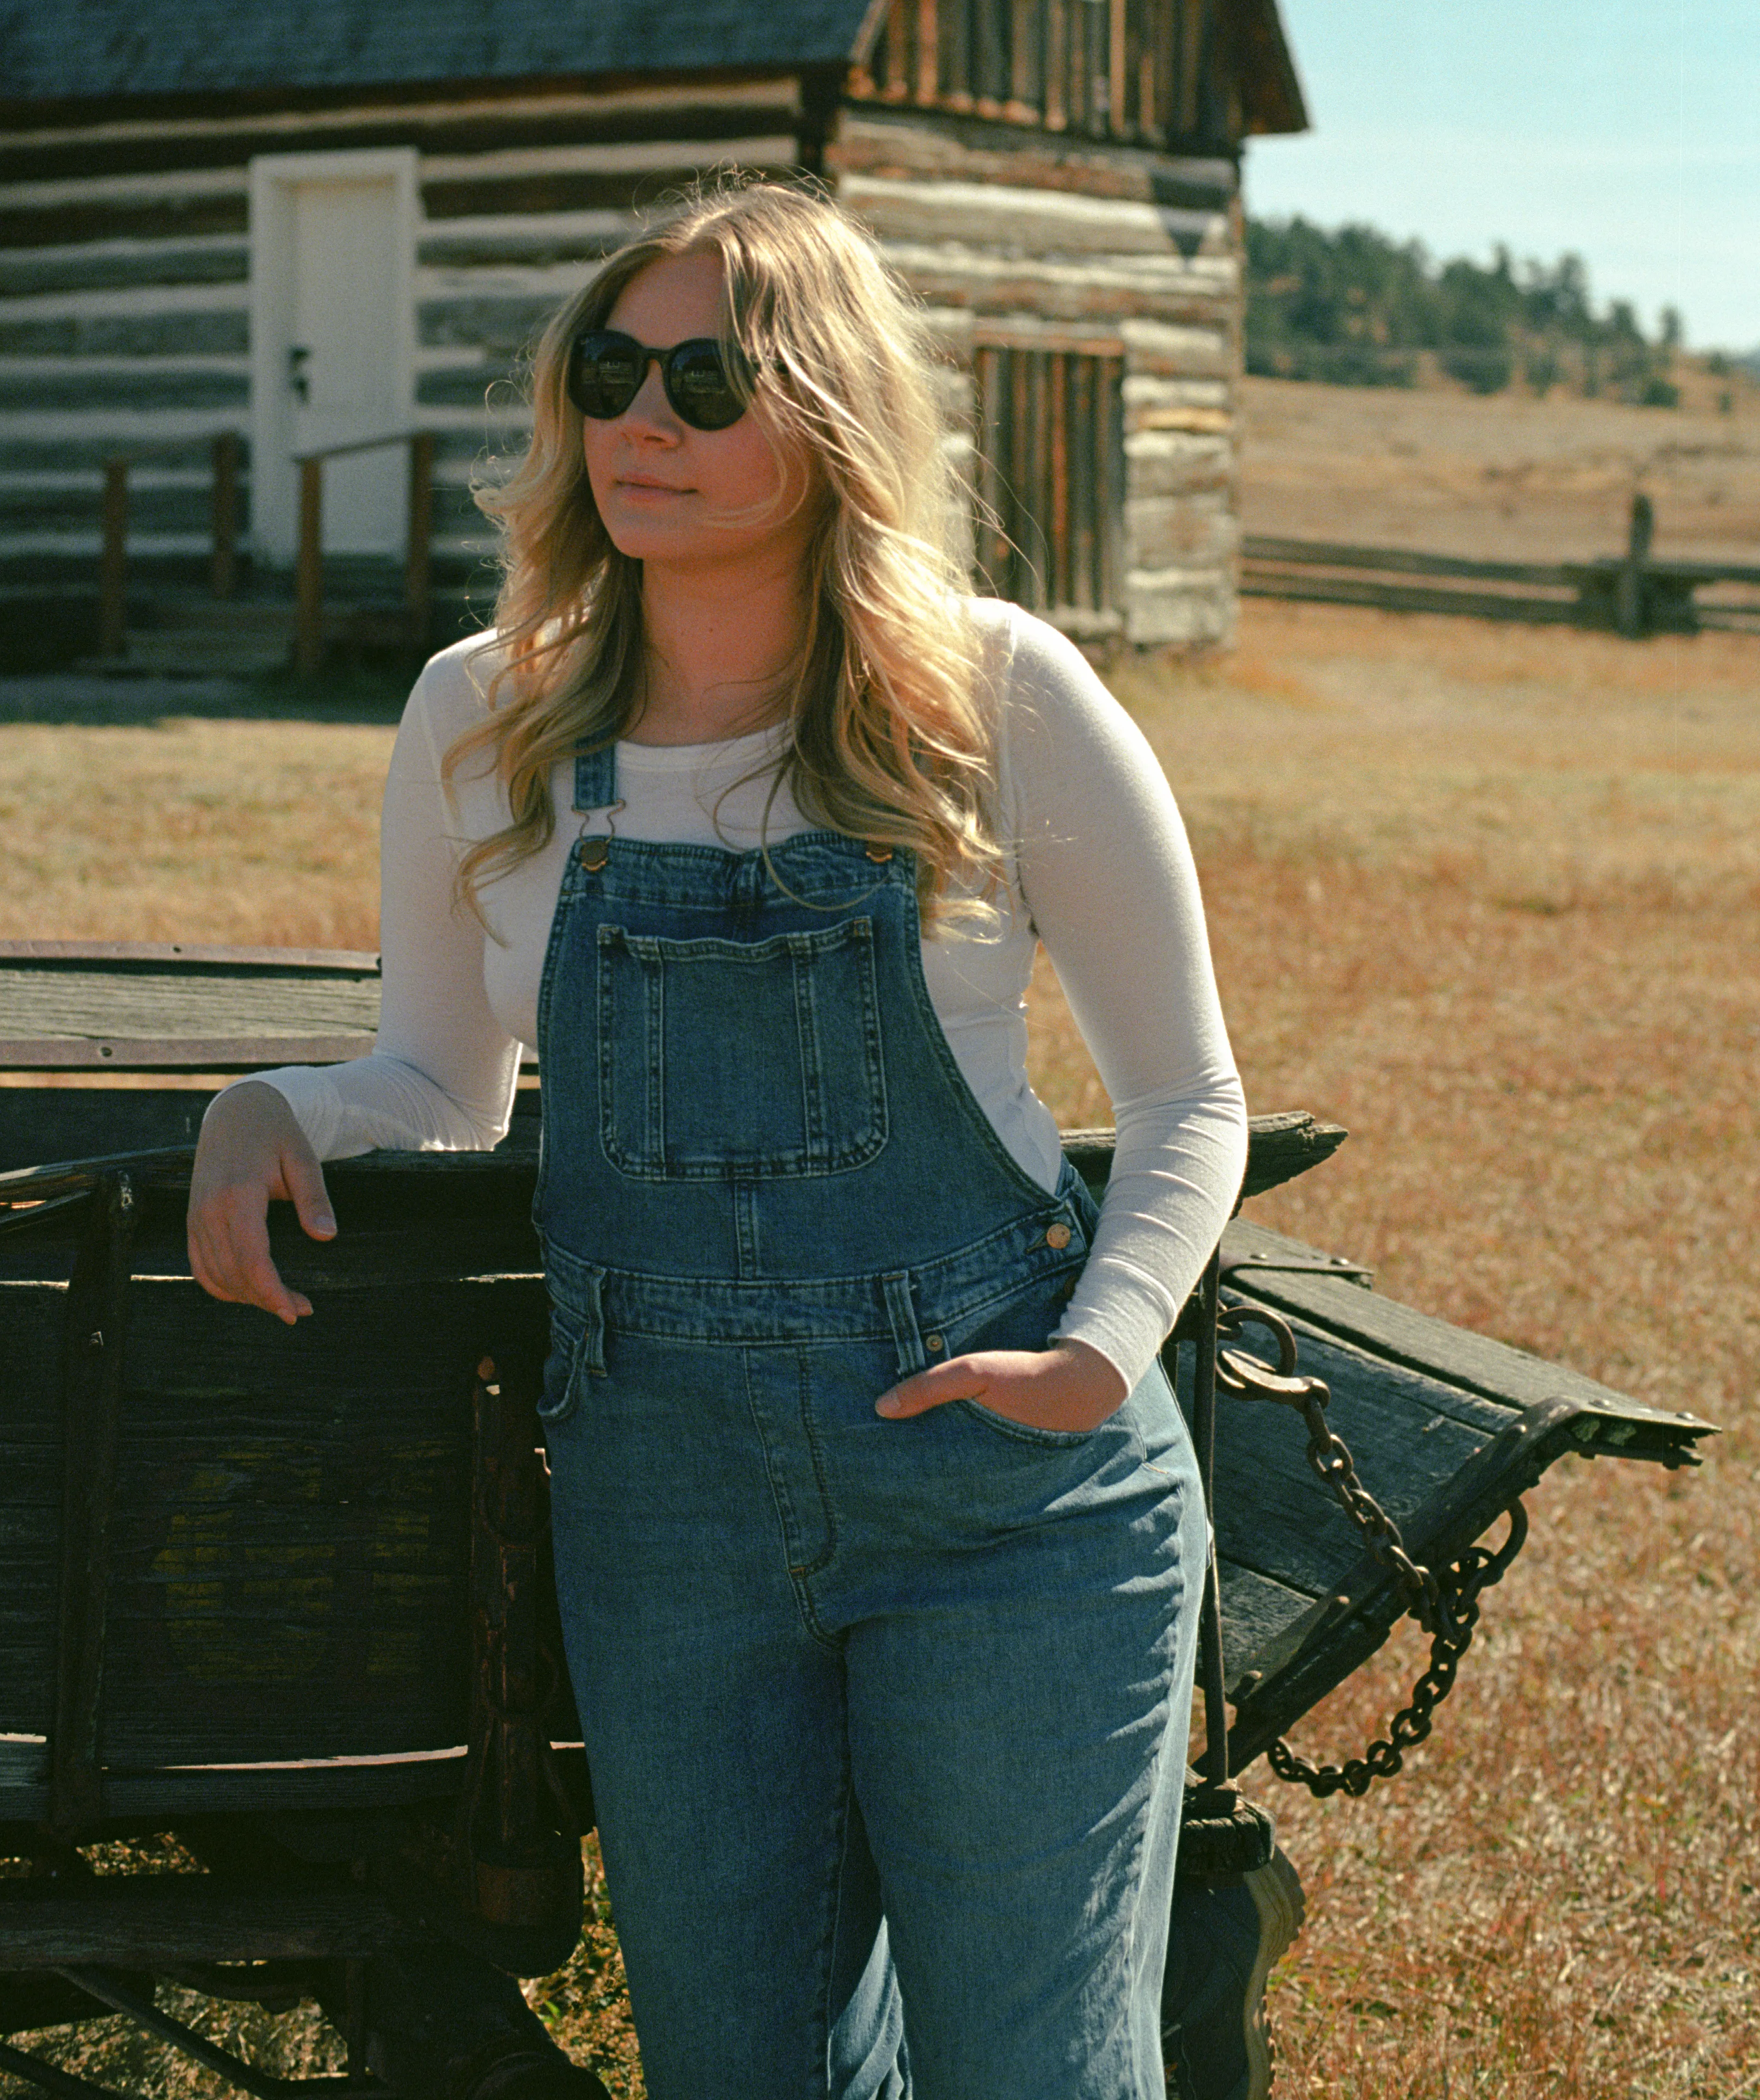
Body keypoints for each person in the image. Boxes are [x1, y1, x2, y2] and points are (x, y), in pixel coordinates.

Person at [188, 181, 1255, 2100]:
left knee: (1035, 2072)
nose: (640, 422)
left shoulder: (993, 694)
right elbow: (443, 1082)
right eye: (610, 371)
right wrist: (273, 1105)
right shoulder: (477, 717)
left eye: (705, 377)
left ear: (828, 415)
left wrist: (1098, 1356)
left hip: (1002, 1505)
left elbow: (1187, 1095)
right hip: (661, 1505)